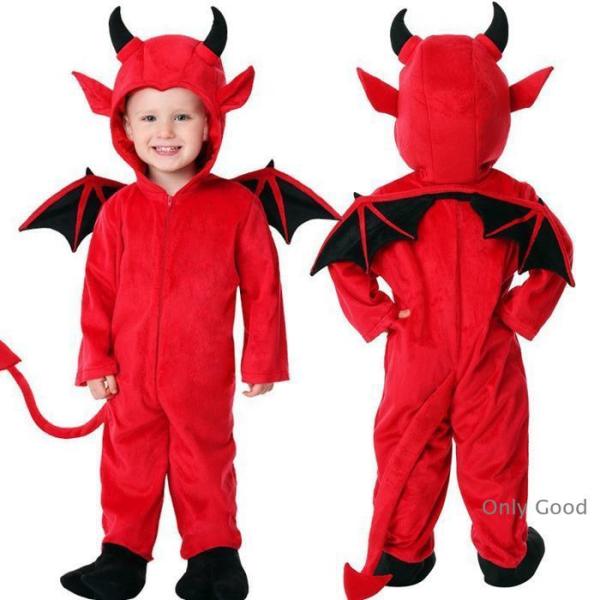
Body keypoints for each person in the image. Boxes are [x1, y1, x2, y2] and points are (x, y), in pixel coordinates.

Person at [312, 4, 573, 598]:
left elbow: (344, 259)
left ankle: (403, 555)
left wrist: (381, 314)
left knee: (410, 450)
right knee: (496, 453)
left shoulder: (384, 205)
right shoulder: (516, 200)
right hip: (489, 349)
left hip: (416, 349)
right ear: (502, 107)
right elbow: (557, 254)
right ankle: (504, 557)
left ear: (401, 109)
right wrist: (517, 313)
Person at [61, 7, 287, 600]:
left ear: (210, 122)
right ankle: (121, 557)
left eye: (183, 115)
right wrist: (96, 360)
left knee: (205, 460)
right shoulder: (117, 211)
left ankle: (214, 558)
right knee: (126, 461)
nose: (167, 131)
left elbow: (263, 288)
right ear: (125, 126)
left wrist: (262, 359)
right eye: (149, 117)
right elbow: (99, 291)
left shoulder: (238, 206)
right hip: (130, 373)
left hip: (203, 373)